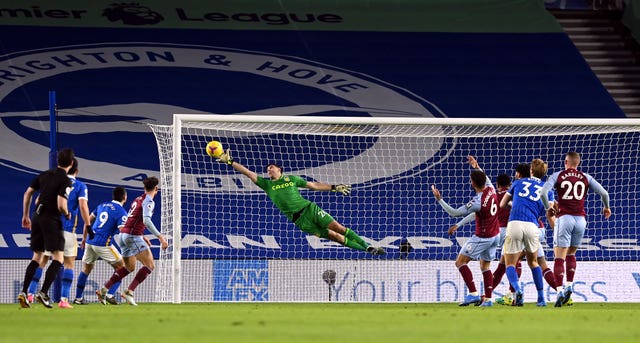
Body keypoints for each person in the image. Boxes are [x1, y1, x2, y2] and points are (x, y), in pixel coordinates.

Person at [216, 150, 385, 255]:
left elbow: (313, 185)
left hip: (309, 209)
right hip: (300, 221)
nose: (269, 170)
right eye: (267, 169)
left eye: (271, 167)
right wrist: (230, 162)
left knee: (338, 228)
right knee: (334, 237)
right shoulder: (266, 184)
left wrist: (333, 187)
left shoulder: (292, 179)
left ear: (279, 169)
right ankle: (367, 251)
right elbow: (247, 172)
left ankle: (367, 247)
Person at [541, 151, 611, 307]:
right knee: (571, 254)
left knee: (559, 256)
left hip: (564, 218)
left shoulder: (558, 175)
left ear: (566, 162)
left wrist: (548, 208)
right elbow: (604, 193)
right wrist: (606, 207)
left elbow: (544, 193)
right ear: (577, 163)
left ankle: (559, 291)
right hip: (581, 220)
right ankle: (570, 285)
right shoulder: (586, 177)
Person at [430, 156, 500, 307]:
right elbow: (484, 177)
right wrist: (476, 166)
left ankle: (474, 294)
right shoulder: (491, 188)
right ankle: (488, 300)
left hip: (483, 237)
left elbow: (454, 212)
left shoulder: (477, 202)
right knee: (485, 266)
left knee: (460, 262)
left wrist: (439, 199)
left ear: (473, 183)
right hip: (495, 236)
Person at [27, 158, 91, 308]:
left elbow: (37, 202)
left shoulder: (52, 181)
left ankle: (30, 295)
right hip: (68, 229)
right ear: (76, 170)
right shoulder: (81, 186)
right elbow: (83, 207)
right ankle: (63, 300)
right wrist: (88, 225)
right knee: (69, 264)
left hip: (49, 226)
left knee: (42, 261)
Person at [96, 176, 168, 306]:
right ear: (156, 188)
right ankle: (129, 291)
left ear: (144, 188)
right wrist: (160, 237)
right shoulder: (149, 201)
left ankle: (103, 290)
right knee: (150, 265)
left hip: (123, 236)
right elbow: (146, 220)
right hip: (132, 236)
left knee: (129, 267)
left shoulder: (138, 199)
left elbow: (132, 219)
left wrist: (142, 235)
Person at [18, 148, 74, 309]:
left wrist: (25, 215)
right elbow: (61, 204)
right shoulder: (65, 180)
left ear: (57, 161)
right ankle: (43, 293)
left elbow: (28, 194)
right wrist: (67, 213)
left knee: (37, 256)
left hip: (36, 217)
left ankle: (23, 292)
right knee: (58, 258)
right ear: (71, 163)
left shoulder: (44, 175)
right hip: (51, 219)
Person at [499, 158, 549, 307]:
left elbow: (502, 204)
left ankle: (518, 289)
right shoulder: (547, 189)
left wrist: (515, 205)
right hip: (532, 226)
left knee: (510, 264)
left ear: (531, 171)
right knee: (534, 263)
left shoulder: (518, 183)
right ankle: (541, 299)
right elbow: (547, 211)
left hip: (514, 222)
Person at [74, 186, 128, 305]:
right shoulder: (121, 212)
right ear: (125, 197)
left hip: (90, 241)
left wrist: (84, 238)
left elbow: (88, 220)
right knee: (123, 268)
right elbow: (123, 232)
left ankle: (78, 298)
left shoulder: (102, 205)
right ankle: (109, 294)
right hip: (103, 243)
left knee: (86, 270)